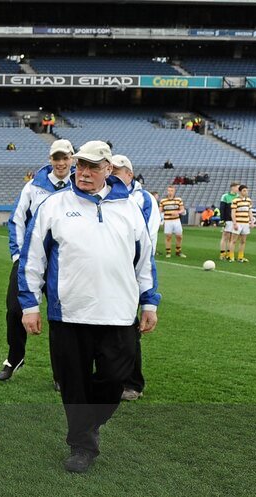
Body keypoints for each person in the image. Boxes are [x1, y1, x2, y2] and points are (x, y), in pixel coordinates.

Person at [19, 141, 160, 473]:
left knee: (116, 377)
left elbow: (145, 262)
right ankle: (82, 444)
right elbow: (32, 259)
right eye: (81, 164)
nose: (84, 172)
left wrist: (149, 301)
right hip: (69, 313)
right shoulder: (53, 206)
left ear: (108, 170)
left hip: (120, 312)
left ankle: (87, 423)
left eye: (93, 166)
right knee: (74, 383)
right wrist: (30, 306)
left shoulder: (129, 208)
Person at [0, 139, 74, 383]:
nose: (61, 163)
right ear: (50, 159)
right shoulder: (33, 186)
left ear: (72, 159)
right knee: (14, 310)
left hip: (63, 263)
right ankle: (15, 356)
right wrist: (19, 255)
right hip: (30, 259)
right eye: (57, 158)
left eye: (65, 158)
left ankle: (61, 372)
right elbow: (17, 220)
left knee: (60, 317)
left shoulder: (78, 187)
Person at [111, 154, 161, 402]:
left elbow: (147, 241)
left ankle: (133, 383)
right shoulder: (107, 196)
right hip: (108, 273)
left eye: (118, 171)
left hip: (131, 272)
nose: (113, 174)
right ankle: (111, 378)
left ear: (129, 174)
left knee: (128, 328)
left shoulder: (143, 199)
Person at [159, 185, 186, 258]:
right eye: (169, 191)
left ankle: (178, 252)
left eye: (171, 191)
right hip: (168, 221)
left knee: (179, 236)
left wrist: (178, 212)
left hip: (176, 220)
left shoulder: (178, 200)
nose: (170, 192)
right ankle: (168, 252)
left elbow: (182, 209)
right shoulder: (163, 201)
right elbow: (160, 210)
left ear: (174, 192)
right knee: (168, 236)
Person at [231, 184, 252, 262]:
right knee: (233, 241)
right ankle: (231, 257)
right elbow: (233, 212)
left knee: (243, 241)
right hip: (238, 223)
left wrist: (251, 221)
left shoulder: (249, 200)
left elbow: (249, 211)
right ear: (240, 191)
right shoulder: (235, 200)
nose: (246, 192)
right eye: (244, 190)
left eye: (247, 190)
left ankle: (240, 257)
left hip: (245, 223)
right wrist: (235, 223)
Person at [220, 182, 240, 261]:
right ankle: (222, 254)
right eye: (237, 188)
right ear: (232, 187)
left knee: (232, 238)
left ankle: (229, 253)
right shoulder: (225, 196)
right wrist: (222, 219)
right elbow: (222, 208)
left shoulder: (238, 197)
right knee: (225, 237)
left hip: (235, 220)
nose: (238, 189)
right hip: (228, 220)